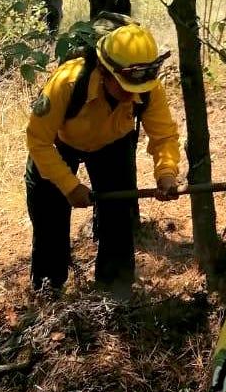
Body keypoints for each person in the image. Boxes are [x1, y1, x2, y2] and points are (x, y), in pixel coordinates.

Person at [25, 20, 179, 298]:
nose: (133, 94)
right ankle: (49, 290)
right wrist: (70, 186)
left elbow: (164, 135)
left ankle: (114, 292)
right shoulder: (66, 83)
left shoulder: (146, 87)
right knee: (49, 220)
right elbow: (38, 139)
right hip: (59, 144)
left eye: (138, 88)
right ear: (104, 71)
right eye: (124, 87)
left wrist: (166, 172)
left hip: (112, 144)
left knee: (118, 218)